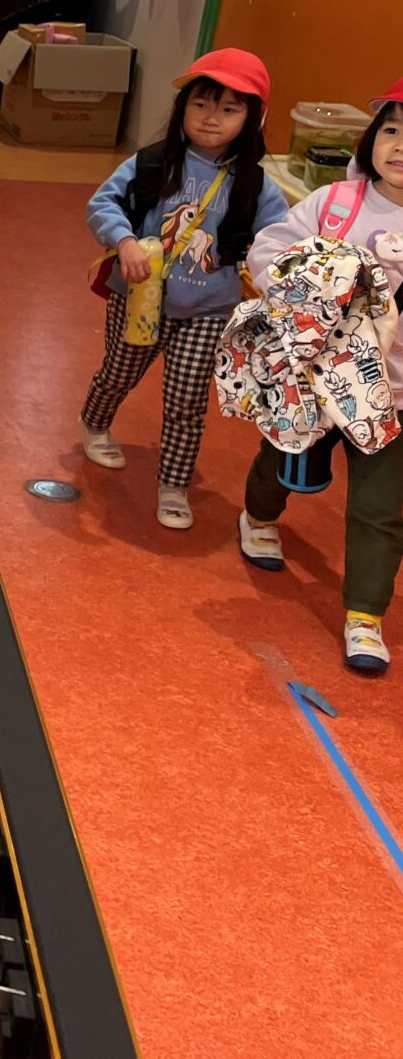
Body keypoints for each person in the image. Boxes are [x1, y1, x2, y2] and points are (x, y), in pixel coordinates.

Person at [79, 48, 288, 529]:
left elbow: (279, 240)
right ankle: (94, 421)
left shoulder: (256, 186)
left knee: (187, 401)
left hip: (209, 309)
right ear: (183, 107)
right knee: (118, 373)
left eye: (229, 109)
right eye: (201, 103)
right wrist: (124, 241)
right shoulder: (153, 163)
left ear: (253, 118)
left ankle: (173, 484)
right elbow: (102, 204)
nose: (212, 117)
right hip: (139, 297)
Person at [236, 77, 403, 675]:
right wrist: (310, 285)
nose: (400, 146)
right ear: (372, 137)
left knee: (381, 507)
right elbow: (269, 250)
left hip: (391, 396)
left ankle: (365, 615)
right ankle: (258, 517)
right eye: (392, 130)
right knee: (284, 457)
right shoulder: (336, 203)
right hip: (314, 378)